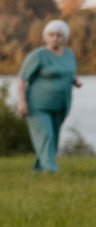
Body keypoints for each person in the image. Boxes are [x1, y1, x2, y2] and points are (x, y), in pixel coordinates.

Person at [13, 20, 80, 174]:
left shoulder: (69, 54)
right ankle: (51, 169)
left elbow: (69, 73)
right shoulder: (37, 55)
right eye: (51, 35)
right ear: (46, 37)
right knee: (45, 135)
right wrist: (21, 102)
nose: (55, 38)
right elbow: (22, 79)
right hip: (37, 105)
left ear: (64, 37)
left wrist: (75, 81)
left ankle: (39, 168)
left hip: (61, 104)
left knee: (53, 138)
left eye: (59, 35)